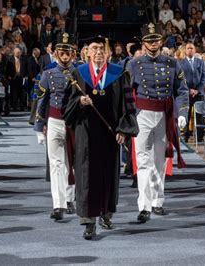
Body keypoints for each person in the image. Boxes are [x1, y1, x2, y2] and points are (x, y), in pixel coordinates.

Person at [63, 35, 138, 240]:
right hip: (85, 133)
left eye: (101, 49)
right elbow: (65, 105)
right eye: (94, 48)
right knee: (87, 176)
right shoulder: (78, 74)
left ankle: (106, 214)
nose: (98, 52)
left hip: (110, 134)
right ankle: (88, 221)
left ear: (108, 53)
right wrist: (79, 101)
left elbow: (128, 105)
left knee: (108, 175)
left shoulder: (119, 73)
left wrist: (123, 130)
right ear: (87, 52)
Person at [128, 23, 188, 223]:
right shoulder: (134, 64)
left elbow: (181, 90)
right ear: (143, 43)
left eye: (156, 40)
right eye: (149, 41)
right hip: (142, 114)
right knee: (143, 161)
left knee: (159, 161)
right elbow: (126, 93)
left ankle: (158, 201)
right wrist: (129, 116)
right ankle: (144, 206)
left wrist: (182, 113)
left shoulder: (172, 63)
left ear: (161, 41)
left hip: (164, 114)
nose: (153, 44)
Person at [34, 33, 76, 221]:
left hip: (74, 123)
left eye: (68, 52)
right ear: (56, 53)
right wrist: (38, 127)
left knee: (71, 163)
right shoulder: (48, 74)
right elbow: (41, 101)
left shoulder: (80, 73)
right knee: (56, 164)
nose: (65, 55)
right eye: (62, 52)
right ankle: (58, 204)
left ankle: (69, 199)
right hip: (54, 122)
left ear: (73, 54)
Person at [179, 42, 205, 143]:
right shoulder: (180, 63)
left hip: (199, 93)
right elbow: (181, 79)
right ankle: (185, 136)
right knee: (186, 113)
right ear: (185, 50)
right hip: (187, 93)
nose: (190, 50)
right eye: (188, 48)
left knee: (200, 115)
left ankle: (200, 137)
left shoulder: (200, 62)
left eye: (192, 48)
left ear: (195, 50)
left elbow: (203, 78)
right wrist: (189, 90)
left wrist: (197, 90)